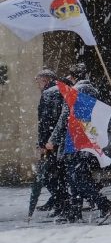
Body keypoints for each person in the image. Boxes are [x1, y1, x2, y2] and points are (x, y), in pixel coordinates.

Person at [49, 63, 111, 223]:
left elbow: (65, 117)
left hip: (75, 139)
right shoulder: (94, 90)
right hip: (87, 137)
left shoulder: (75, 92)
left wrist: (52, 140)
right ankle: (75, 211)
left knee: (76, 178)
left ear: (73, 77)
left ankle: (104, 203)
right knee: (77, 176)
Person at [29, 68, 69, 220]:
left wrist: (44, 143)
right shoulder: (60, 90)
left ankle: (63, 204)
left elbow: (46, 122)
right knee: (59, 175)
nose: (37, 83)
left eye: (38, 80)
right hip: (59, 140)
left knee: (49, 177)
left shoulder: (49, 93)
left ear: (45, 79)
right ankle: (62, 204)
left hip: (52, 142)